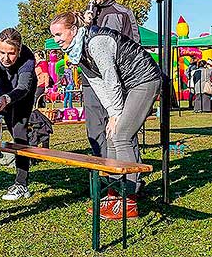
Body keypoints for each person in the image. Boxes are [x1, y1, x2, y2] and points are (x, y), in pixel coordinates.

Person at [50, 12, 161, 220]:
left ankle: (129, 200)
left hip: (144, 79)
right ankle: (113, 194)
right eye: (53, 36)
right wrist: (112, 113)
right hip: (127, 83)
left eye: (58, 34)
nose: (56, 40)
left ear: (73, 30)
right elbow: (98, 84)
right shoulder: (77, 52)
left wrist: (117, 113)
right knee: (110, 134)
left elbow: (111, 80)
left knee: (121, 135)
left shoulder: (96, 42)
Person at [83, 0, 141, 161]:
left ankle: (132, 183)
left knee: (122, 129)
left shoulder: (123, 13)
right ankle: (107, 179)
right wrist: (84, 27)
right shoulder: (84, 17)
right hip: (90, 82)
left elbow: (135, 48)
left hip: (117, 81)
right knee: (96, 130)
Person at [0, 28, 37, 200]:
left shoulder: (28, 58)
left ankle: (22, 184)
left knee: (19, 132)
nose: (5, 58)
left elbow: (23, 87)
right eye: (2, 52)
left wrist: (8, 98)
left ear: (19, 50)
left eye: (11, 53)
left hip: (21, 94)